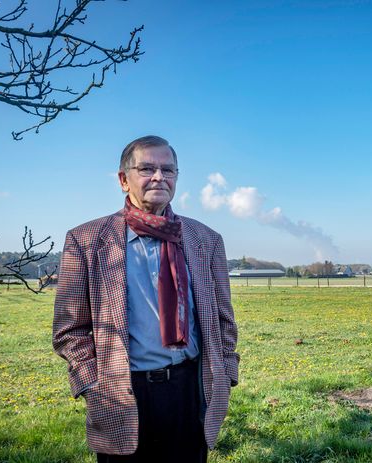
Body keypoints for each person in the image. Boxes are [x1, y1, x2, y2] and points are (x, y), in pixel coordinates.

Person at [53, 135, 239, 462]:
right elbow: (69, 330)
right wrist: (92, 385)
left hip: (189, 392)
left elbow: (224, 320)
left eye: (168, 170)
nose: (159, 177)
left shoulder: (206, 240)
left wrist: (227, 373)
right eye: (147, 168)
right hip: (120, 394)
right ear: (124, 180)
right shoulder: (85, 240)